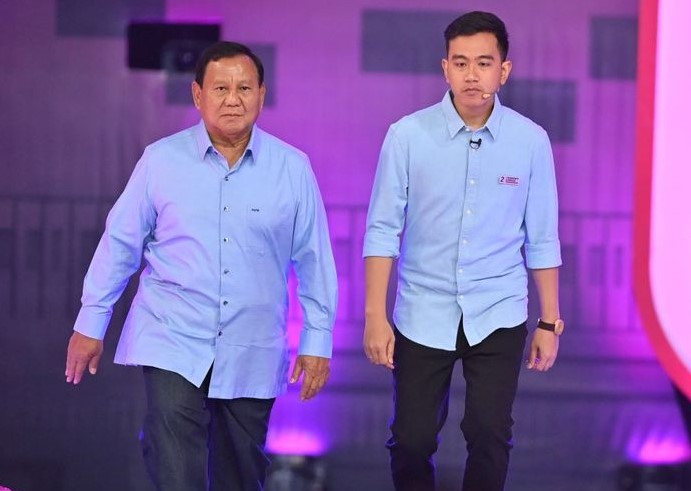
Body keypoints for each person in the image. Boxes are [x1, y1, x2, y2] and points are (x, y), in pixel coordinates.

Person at [64, 41, 338, 491]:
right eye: (221, 88)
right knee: (175, 464)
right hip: (171, 334)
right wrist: (91, 322)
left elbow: (315, 260)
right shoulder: (160, 160)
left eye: (244, 88)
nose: (233, 99)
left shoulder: (292, 169)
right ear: (197, 95)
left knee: (241, 475)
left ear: (261, 95)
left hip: (252, 344)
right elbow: (120, 243)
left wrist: (317, 340)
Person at [363, 11, 563, 491]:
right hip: (422, 309)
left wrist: (549, 321)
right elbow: (382, 230)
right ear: (445, 68)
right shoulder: (407, 136)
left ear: (504, 70)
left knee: (490, 433)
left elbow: (542, 237)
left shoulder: (530, 141)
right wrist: (374, 315)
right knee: (411, 440)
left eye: (484, 63)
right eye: (461, 63)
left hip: (498, 309)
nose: (472, 75)